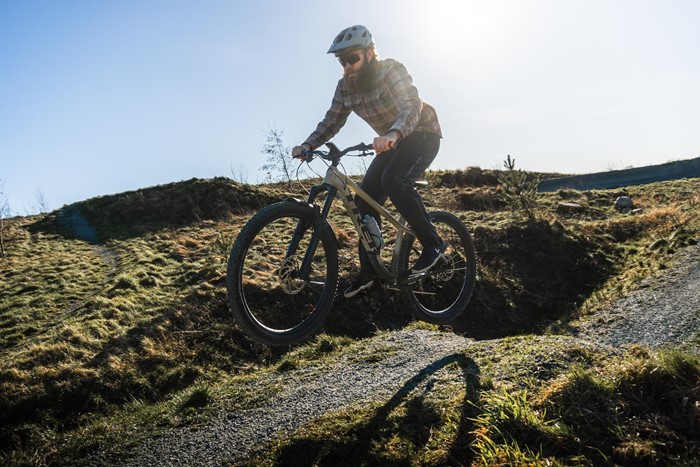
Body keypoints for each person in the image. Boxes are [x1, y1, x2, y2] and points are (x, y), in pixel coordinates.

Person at [292, 25, 445, 299]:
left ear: (370, 53)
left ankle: (434, 245)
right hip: (390, 140)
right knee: (364, 200)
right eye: (343, 61)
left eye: (353, 59)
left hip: (421, 132)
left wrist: (394, 133)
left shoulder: (390, 70)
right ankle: (371, 271)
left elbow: (411, 104)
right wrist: (308, 144)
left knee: (394, 181)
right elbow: (332, 120)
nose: (348, 66)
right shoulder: (345, 87)